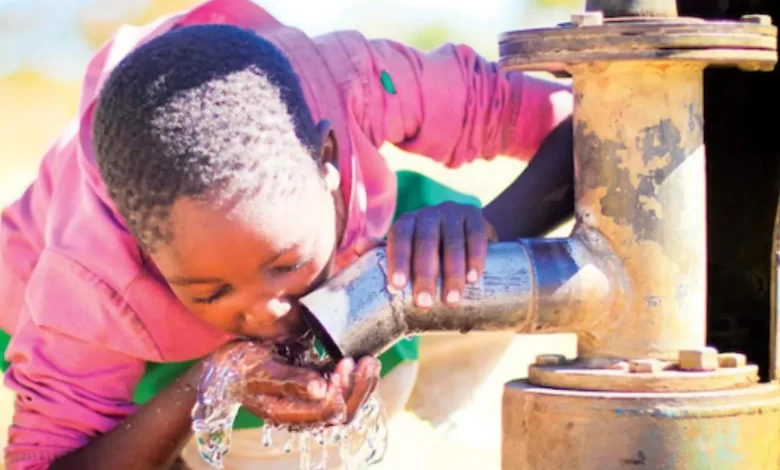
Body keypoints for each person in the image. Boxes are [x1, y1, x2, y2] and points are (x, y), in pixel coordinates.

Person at [0, 0, 574, 468]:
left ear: (327, 158)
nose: (270, 316)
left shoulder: (357, 82)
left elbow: (592, 126)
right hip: (73, 329)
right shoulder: (91, 278)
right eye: (212, 290)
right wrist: (206, 383)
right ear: (143, 252)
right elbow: (45, 461)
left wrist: (481, 233)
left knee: (428, 216)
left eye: (285, 262)